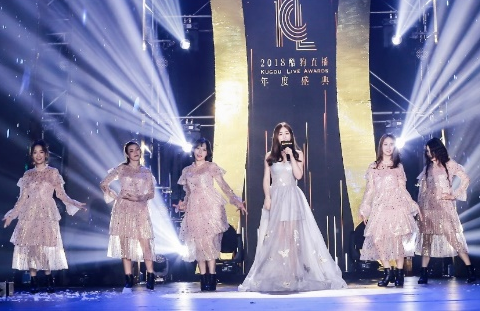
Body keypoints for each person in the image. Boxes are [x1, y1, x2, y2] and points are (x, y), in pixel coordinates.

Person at [238, 122, 347, 293]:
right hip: (276, 197)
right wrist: (267, 197)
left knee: (292, 237)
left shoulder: (298, 154)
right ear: (276, 136)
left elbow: (299, 175)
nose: (284, 137)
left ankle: (294, 275)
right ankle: (281, 275)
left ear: (291, 136)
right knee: (277, 237)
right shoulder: (269, 156)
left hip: (292, 198)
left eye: (286, 133)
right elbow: (266, 178)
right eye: (280, 134)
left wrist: (291, 156)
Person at [3, 140, 87, 292]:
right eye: (35, 152)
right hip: (29, 214)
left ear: (46, 154)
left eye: (41, 152)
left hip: (46, 214)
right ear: (32, 155)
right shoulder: (28, 174)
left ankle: (49, 278)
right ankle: (33, 281)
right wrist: (11, 215)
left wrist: (75, 203)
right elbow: (22, 199)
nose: (38, 155)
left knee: (44, 247)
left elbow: (61, 194)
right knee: (31, 247)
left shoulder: (53, 172)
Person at [175, 137, 246, 291]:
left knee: (210, 241)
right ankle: (203, 278)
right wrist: (183, 205)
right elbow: (188, 193)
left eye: (204, 149)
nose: (200, 152)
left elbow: (224, 186)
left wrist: (236, 201)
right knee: (198, 242)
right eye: (198, 148)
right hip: (194, 209)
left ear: (208, 152)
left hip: (211, 206)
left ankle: (212, 276)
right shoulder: (187, 171)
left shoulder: (211, 167)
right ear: (193, 150)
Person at [359, 134, 421, 287]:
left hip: (397, 206)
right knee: (377, 238)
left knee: (397, 239)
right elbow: (370, 190)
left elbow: (402, 189)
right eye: (385, 144)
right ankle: (388, 272)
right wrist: (365, 208)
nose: (388, 147)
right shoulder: (373, 167)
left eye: (391, 144)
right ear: (381, 146)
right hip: (380, 207)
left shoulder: (398, 166)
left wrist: (412, 204)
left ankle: (399, 273)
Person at [100, 141, 158, 291]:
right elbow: (104, 183)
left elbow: (151, 192)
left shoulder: (146, 172)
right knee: (125, 243)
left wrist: (140, 197)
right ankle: (128, 278)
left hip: (140, 208)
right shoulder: (121, 168)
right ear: (127, 154)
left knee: (145, 242)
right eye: (131, 150)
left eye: (137, 149)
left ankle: (150, 276)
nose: (135, 152)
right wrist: (115, 196)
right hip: (123, 209)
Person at [417, 138, 476, 284]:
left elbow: (466, 179)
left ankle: (470, 270)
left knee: (453, 238)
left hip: (444, 207)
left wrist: (453, 195)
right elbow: (422, 191)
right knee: (426, 241)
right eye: (427, 152)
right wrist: (420, 210)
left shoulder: (449, 164)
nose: (430, 154)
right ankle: (423, 274)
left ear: (438, 149)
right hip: (428, 208)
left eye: (432, 151)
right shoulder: (428, 168)